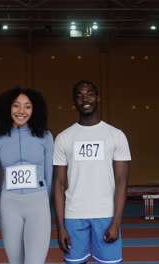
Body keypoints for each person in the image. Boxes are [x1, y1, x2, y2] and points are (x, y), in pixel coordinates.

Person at [53, 80, 131, 264]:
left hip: (106, 215)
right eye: (79, 96)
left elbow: (122, 182)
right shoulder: (64, 138)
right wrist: (60, 227)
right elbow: (58, 184)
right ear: (74, 101)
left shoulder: (116, 135)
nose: (85, 99)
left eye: (89, 94)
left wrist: (116, 222)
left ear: (98, 98)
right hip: (73, 217)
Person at [0, 87, 53, 264]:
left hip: (38, 203)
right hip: (9, 205)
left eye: (27, 107)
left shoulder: (46, 137)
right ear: (7, 108)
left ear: (35, 110)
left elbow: (50, 176)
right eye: (16, 106)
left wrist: (42, 202)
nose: (21, 111)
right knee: (15, 261)